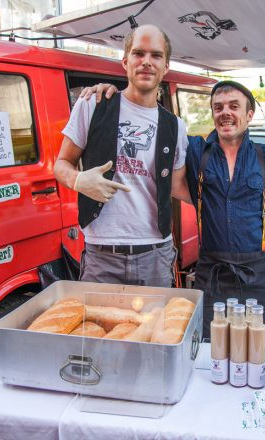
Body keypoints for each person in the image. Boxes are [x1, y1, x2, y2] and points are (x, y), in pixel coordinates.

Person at [83, 81, 265, 341]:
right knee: (207, 346)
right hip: (212, 271)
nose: (225, 112)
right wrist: (116, 94)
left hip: (257, 272)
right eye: (218, 107)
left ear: (249, 115)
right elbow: (155, 122)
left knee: (255, 346)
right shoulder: (195, 149)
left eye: (233, 106)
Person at [54, 24, 190, 287]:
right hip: (102, 254)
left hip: (155, 253)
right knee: (97, 328)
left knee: (155, 328)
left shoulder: (175, 126)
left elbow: (177, 186)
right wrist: (78, 180)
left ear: (166, 66)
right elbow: (61, 164)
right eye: (139, 54)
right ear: (126, 62)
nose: (146, 62)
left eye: (156, 55)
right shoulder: (93, 105)